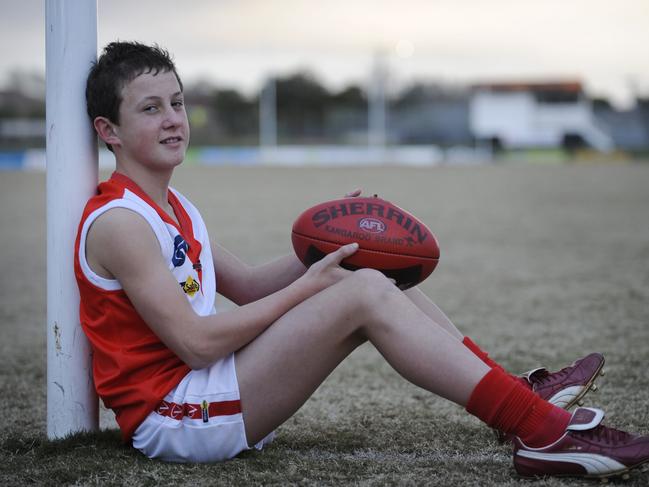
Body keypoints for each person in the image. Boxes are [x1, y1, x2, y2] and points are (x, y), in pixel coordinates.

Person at [74, 41, 649, 480]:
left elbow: (247, 286)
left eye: (176, 102)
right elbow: (195, 344)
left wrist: (339, 243)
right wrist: (313, 286)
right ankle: (537, 430)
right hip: (176, 417)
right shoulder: (121, 223)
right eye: (150, 109)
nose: (174, 118)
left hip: (210, 391)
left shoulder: (173, 206)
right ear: (110, 131)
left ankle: (518, 395)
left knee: (374, 268)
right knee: (363, 291)